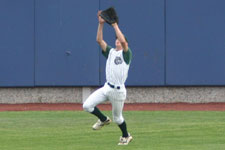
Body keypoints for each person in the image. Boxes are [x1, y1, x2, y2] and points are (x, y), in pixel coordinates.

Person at [83, 10, 133, 145]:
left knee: (117, 118)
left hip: (118, 92)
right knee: (87, 105)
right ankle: (103, 119)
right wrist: (101, 24)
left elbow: (123, 40)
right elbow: (99, 40)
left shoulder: (126, 55)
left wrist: (115, 25)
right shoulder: (111, 52)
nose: (118, 41)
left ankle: (126, 135)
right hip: (107, 87)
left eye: (120, 40)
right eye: (116, 39)